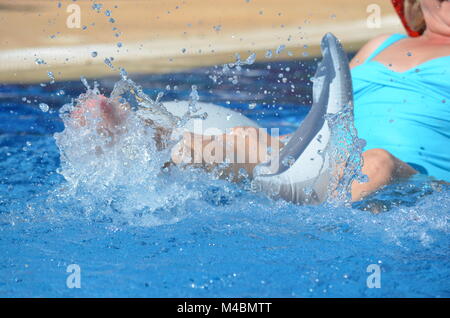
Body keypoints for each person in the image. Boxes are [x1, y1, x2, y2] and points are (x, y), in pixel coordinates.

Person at [71, 0, 450, 203]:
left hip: (414, 174)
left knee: (376, 161)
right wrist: (280, 144)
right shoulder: (377, 46)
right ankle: (139, 140)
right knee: (242, 138)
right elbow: (329, 115)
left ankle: (318, 216)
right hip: (337, 154)